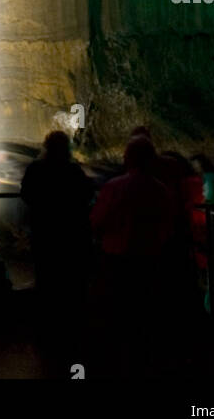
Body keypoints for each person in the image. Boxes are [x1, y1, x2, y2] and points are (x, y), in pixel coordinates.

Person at [90, 135, 175, 372]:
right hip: (149, 257)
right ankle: (144, 357)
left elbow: (98, 219)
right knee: (144, 308)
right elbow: (167, 225)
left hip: (116, 256)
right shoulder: (160, 189)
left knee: (116, 309)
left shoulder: (114, 187)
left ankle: (116, 359)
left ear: (128, 159)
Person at [21, 132, 92, 341]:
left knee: (45, 277)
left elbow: (26, 195)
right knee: (69, 279)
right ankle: (70, 327)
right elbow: (86, 196)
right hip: (70, 235)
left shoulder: (36, 170)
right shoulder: (73, 171)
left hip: (44, 232)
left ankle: (46, 326)